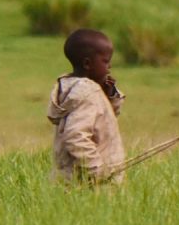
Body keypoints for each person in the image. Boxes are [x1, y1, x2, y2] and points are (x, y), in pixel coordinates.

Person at [47, 28, 127, 184]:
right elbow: (76, 135)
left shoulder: (72, 88)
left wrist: (108, 95)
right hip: (88, 183)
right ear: (87, 63)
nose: (109, 66)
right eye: (105, 61)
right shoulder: (88, 94)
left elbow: (102, 118)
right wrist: (96, 169)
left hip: (71, 178)